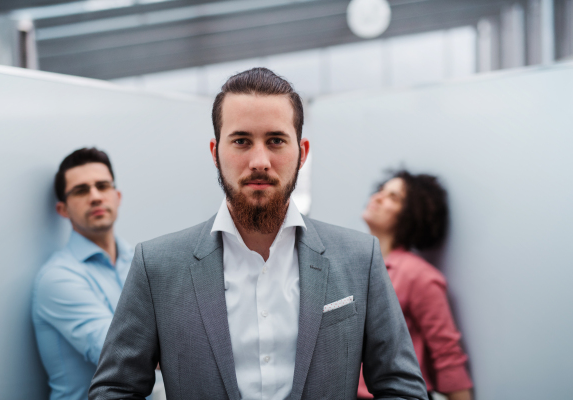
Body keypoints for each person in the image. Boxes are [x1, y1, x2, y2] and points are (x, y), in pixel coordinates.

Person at [89, 68, 428, 400]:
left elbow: (402, 388)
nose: (260, 161)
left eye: (276, 141)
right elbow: (115, 390)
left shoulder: (358, 258)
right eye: (241, 141)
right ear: (215, 153)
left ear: (302, 153)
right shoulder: (157, 266)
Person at [359, 170, 474, 400]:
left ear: (410, 214)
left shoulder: (419, 276)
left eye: (393, 197)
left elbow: (447, 355)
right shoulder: (355, 264)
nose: (378, 198)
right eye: (381, 191)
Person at [32, 148, 133, 400]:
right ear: (63, 209)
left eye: (102, 186)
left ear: (117, 196)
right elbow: (124, 354)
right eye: (81, 190)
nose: (95, 196)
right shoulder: (58, 278)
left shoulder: (138, 262)